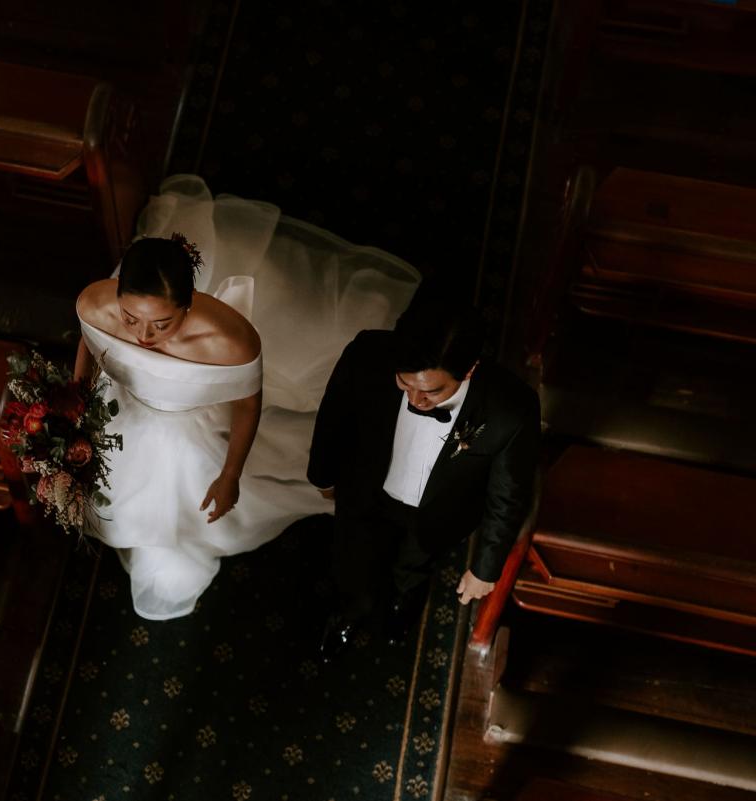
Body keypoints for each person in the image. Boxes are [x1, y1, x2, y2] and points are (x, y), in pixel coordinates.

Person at [75, 175, 421, 620]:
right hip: (125, 409)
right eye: (130, 319)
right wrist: (77, 398)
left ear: (188, 305)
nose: (143, 336)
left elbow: (246, 405)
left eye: (162, 324)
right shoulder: (93, 303)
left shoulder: (231, 341)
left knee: (182, 490)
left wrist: (231, 474)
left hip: (188, 424)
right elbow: (89, 340)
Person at [308, 298, 540, 659]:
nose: (415, 400)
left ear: (469, 370)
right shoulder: (367, 353)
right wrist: (322, 475)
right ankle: (349, 615)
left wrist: (485, 568)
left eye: (431, 391)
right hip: (368, 491)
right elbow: (333, 417)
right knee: (353, 563)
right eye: (405, 383)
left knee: (413, 570)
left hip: (439, 513)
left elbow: (508, 494)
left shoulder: (512, 407)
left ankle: (401, 608)